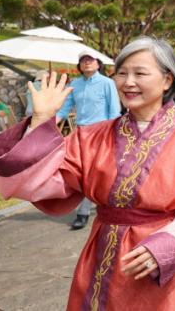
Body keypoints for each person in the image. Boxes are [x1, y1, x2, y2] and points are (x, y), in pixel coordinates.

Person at [0, 37, 175, 310]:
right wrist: (40, 122)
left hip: (170, 271)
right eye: (122, 73)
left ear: (167, 80)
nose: (128, 82)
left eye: (140, 73)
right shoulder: (91, 137)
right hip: (102, 258)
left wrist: (169, 245)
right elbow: (38, 184)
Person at [57, 52, 121, 230]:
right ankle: (90, 207)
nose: (87, 63)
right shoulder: (74, 84)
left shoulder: (107, 83)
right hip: (80, 134)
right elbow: (64, 109)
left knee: (96, 172)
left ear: (98, 64)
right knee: (82, 172)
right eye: (83, 60)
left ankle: (85, 211)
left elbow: (114, 112)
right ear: (79, 65)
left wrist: (112, 135)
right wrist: (48, 123)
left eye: (90, 60)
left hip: (101, 132)